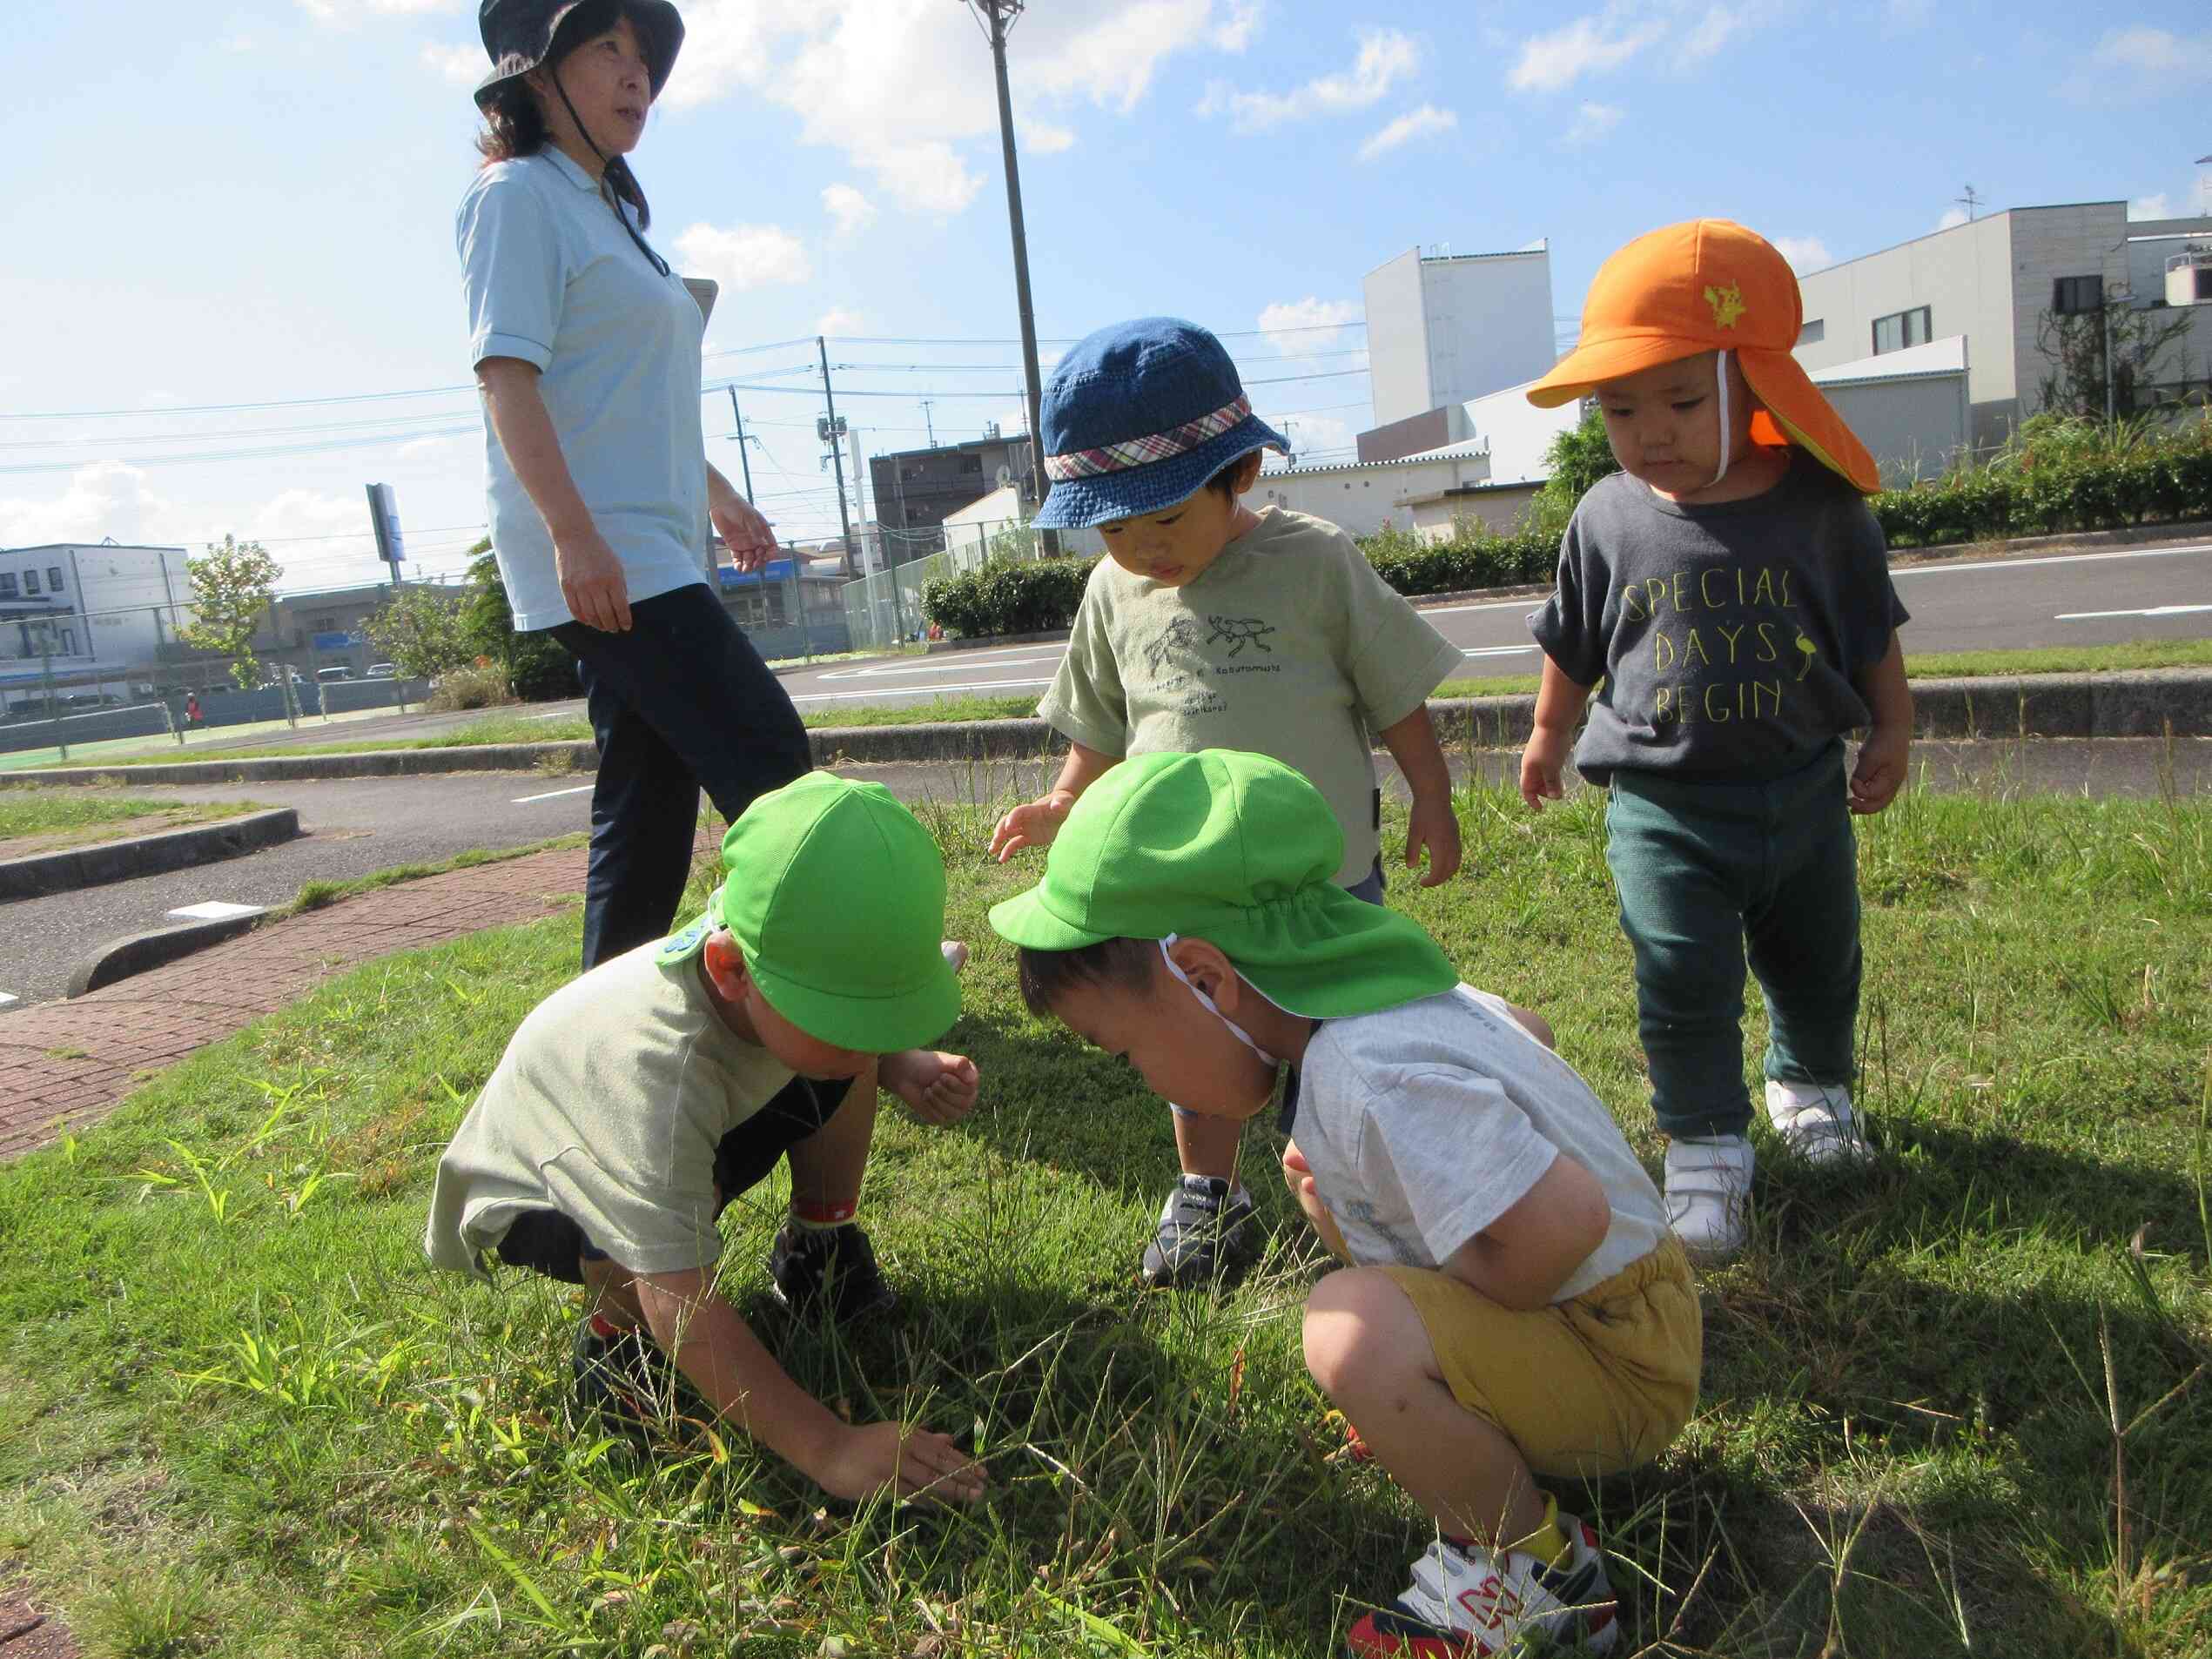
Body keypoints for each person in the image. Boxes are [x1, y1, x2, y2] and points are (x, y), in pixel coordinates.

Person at [991, 750, 1698, 1659]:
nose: (1142, 1077)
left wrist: (1450, 1309)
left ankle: (1540, 1576)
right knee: (1322, 1200)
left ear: (1207, 980)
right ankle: (1455, 1419)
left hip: (1621, 1358)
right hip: (1632, 1318)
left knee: (1344, 1327)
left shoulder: (1367, 1074)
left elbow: (1567, 1224)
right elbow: (1531, 1029)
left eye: (1125, 1051)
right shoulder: (1388, 999)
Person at [989, 317, 1468, 1289]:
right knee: (1187, 1038)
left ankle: (1347, 1178)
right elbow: (1101, 725)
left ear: (1238, 475)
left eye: (1164, 518)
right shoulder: (1111, 593)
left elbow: (1397, 694)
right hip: (1179, 885)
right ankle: (1207, 1191)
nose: (1143, 548)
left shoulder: (1315, 561)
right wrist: (1064, 800)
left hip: (1318, 875)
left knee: (1337, 1030)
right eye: (1115, 527)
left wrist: (1433, 795)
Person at [1516, 219, 1913, 1266]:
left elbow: (1870, 633)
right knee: (1680, 971)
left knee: (1818, 960)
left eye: (1683, 401)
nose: (1651, 432)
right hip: (1662, 808)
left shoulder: (1824, 511)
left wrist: (1894, 728)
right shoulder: (1605, 516)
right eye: (1621, 408)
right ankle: (1703, 1147)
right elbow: (1573, 639)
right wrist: (1550, 732)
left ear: (1755, 384)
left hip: (1803, 793)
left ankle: (1813, 1091)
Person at [425, 772, 986, 1506]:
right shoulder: (656, 1075)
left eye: (884, 1021)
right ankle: (615, 1346)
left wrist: (896, 1062)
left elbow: (844, 1032)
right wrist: (830, 1447)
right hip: (548, 1192)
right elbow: (678, 1295)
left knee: (829, 1072)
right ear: (728, 970)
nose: (869, 1042)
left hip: (684, 1124)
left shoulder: (773, 960)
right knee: (668, 1220)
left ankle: (820, 1247)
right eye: (849, 1022)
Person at [461, 0, 813, 971]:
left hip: (651, 544)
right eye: (606, 50)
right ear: (537, 77)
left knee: (646, 806)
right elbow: (507, 376)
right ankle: (823, 980)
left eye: (643, 56)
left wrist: (722, 501)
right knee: (774, 764)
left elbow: (623, 402)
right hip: (610, 553)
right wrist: (574, 536)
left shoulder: (608, 211)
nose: (636, 76)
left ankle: (603, 1018)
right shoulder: (516, 197)